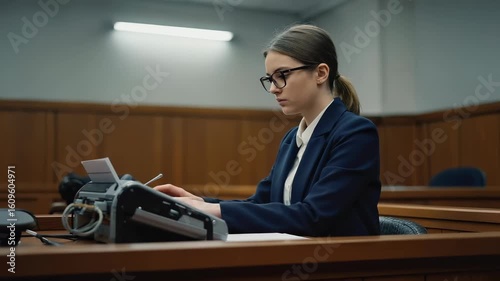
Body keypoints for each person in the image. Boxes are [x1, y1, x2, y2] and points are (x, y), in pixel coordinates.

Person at [155, 24, 381, 237]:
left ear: (321, 73)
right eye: (270, 79)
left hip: (343, 265)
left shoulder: (356, 133)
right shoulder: (292, 138)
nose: (273, 89)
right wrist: (202, 204)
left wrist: (214, 211)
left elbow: (314, 216)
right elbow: (260, 204)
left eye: (282, 75)